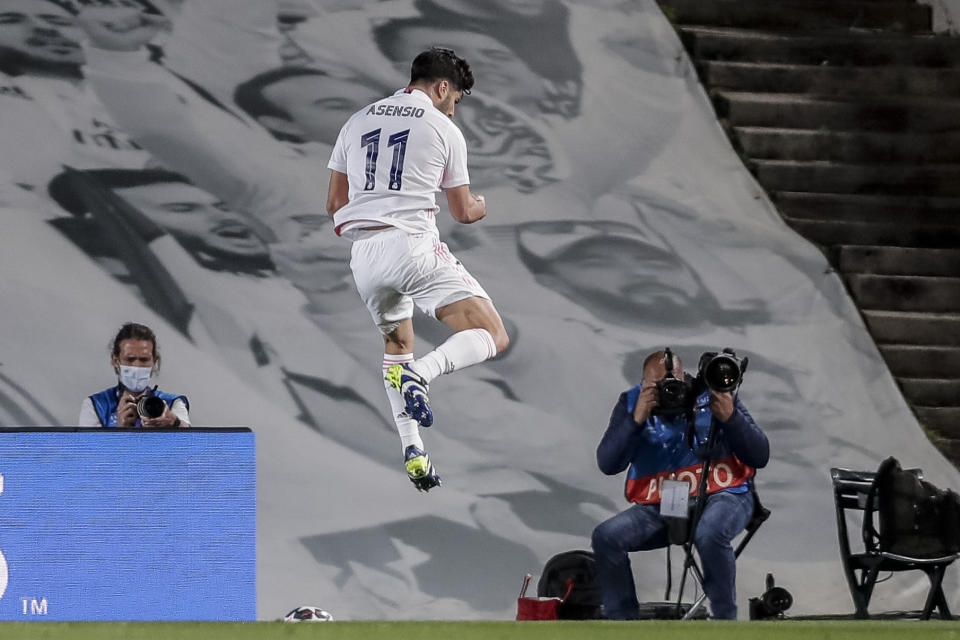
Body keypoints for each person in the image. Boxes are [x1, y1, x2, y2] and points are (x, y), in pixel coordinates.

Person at [326, 47, 509, 492]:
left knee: (397, 346)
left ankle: (413, 449)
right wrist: (484, 205)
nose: (454, 109)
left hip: (364, 258)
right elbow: (463, 211)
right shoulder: (442, 128)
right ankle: (423, 375)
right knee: (493, 335)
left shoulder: (356, 121)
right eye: (456, 100)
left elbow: (334, 204)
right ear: (443, 87)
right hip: (411, 246)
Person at [591, 349, 769, 620]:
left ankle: (726, 624)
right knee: (606, 536)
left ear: (685, 375)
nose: (669, 390)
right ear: (645, 384)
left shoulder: (713, 394)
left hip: (727, 494)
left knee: (709, 533)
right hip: (669, 501)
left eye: (674, 381)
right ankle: (622, 624)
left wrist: (731, 418)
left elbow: (759, 455)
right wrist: (635, 420)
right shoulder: (632, 402)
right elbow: (607, 463)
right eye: (658, 386)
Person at [78, 322, 190, 428]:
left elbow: (194, 443)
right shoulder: (96, 406)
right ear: (116, 360)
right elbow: (88, 447)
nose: (137, 365)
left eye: (144, 359)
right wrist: (119, 431)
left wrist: (174, 423)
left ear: (154, 361)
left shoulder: (172, 403)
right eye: (130, 359)